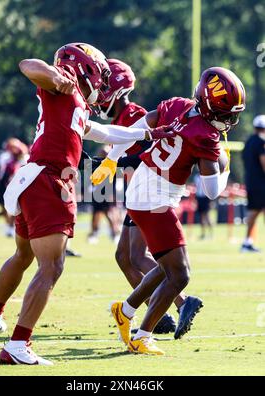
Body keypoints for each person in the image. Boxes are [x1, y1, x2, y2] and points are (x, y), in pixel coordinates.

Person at [0, 42, 173, 365]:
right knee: (51, 266)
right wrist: (54, 75)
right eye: (100, 76)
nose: (103, 85)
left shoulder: (74, 103)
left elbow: (105, 133)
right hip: (48, 181)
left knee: (24, 255)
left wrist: (149, 135)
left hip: (33, 179)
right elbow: (27, 64)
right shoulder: (61, 88)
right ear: (85, 69)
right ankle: (18, 345)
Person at [92, 67, 246, 355]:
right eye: (225, 113)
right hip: (156, 198)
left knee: (166, 268)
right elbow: (211, 191)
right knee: (180, 275)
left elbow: (137, 128)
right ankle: (142, 335)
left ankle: (124, 311)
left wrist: (112, 157)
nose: (229, 120)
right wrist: (224, 165)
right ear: (210, 106)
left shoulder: (177, 105)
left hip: (142, 189)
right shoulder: (206, 136)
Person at [96, 58, 203, 338]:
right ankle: (160, 311)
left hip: (149, 192)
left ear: (116, 90)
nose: (99, 92)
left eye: (104, 85)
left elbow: (143, 154)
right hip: (140, 193)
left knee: (137, 255)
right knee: (124, 256)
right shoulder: (122, 118)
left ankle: (176, 305)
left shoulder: (133, 115)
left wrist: (107, 163)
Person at [241, 115, 265, 252]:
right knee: (254, 213)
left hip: (251, 183)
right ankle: (247, 243)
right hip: (261, 184)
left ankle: (247, 242)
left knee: (253, 213)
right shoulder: (261, 142)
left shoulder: (249, 141)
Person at [194, 171, 213, 240]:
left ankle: (211, 234)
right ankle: (203, 234)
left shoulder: (205, 177)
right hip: (199, 198)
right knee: (201, 217)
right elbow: (196, 188)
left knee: (207, 216)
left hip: (205, 197)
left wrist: (210, 200)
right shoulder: (196, 177)